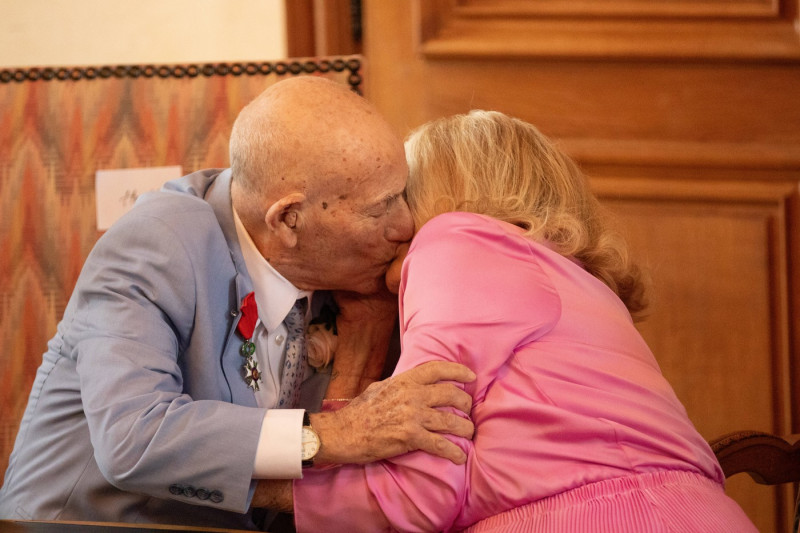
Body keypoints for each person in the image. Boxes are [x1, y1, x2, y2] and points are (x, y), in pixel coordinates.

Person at [0, 77, 476, 530]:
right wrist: (337, 433)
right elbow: (133, 438)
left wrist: (365, 341)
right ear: (289, 219)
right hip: (83, 526)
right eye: (382, 207)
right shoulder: (158, 242)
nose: (405, 224)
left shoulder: (350, 275)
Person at [276, 110, 758, 532]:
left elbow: (420, 490)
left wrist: (242, 482)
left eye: (401, 197)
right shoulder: (575, 282)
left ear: (441, 195)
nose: (395, 223)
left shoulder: (456, 240)